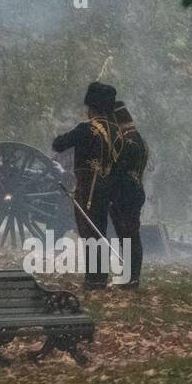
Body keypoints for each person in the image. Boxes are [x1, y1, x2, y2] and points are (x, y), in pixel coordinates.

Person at [52, 82, 117, 289]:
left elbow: (59, 144)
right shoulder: (116, 131)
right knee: (100, 231)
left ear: (92, 108)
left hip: (88, 187)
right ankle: (99, 276)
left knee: (89, 232)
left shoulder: (86, 129)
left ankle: (94, 280)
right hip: (110, 187)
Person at [106, 98, 149, 289]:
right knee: (128, 237)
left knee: (129, 237)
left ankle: (131, 278)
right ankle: (130, 276)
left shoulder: (127, 142)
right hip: (132, 191)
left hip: (126, 194)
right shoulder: (136, 138)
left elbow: (117, 171)